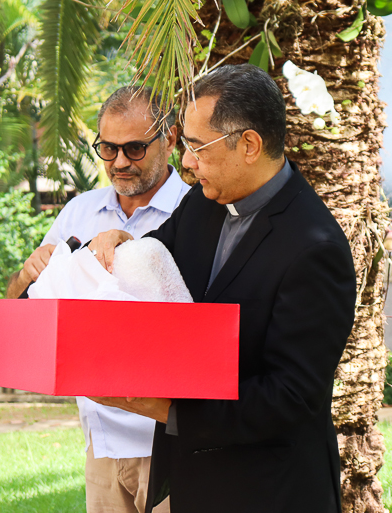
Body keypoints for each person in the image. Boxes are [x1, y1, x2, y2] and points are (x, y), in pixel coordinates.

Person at [87, 64, 357, 513]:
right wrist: (123, 242)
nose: (186, 162)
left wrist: (166, 410)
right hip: (194, 483)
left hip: (271, 491)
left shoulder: (314, 247)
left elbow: (291, 396)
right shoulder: (202, 202)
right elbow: (156, 261)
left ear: (249, 145)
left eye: (198, 147)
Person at [7, 86, 189, 513]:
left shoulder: (194, 210)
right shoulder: (78, 212)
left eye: (135, 148)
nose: (119, 162)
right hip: (102, 443)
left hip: (174, 441)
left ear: (170, 139)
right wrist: (28, 274)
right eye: (108, 148)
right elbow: (21, 311)